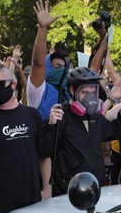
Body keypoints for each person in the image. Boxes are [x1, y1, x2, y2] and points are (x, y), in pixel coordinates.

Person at [0, 63, 56, 213]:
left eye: (0, 84)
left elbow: (43, 156)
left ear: (13, 84)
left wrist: (47, 188)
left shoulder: (32, 114)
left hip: (32, 201)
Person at [47, 67, 115, 195]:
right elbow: (44, 150)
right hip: (70, 189)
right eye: (84, 92)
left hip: (95, 186)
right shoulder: (61, 114)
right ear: (72, 91)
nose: (89, 97)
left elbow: (112, 132)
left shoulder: (95, 115)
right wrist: (51, 125)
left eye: (93, 92)